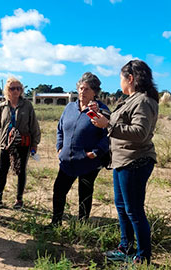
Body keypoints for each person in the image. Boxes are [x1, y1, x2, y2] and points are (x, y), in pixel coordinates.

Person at [91, 60, 159, 265]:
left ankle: (142, 257)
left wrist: (108, 123)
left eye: (121, 78)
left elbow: (139, 132)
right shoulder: (132, 99)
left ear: (130, 78)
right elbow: (121, 122)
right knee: (122, 207)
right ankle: (126, 247)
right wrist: (103, 115)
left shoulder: (144, 101)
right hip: (123, 161)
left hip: (135, 161)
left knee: (134, 210)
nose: (120, 82)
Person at [49, 72, 110, 226]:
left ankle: (82, 225)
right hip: (67, 160)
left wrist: (95, 152)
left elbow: (108, 135)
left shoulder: (101, 110)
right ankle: (56, 221)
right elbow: (60, 129)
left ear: (95, 92)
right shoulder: (70, 107)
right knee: (59, 190)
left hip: (87, 162)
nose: (82, 91)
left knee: (85, 194)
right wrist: (59, 147)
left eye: (87, 89)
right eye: (81, 88)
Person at [0, 77, 41, 210]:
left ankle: (19, 200)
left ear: (21, 90)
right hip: (6, 145)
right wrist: (0, 139)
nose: (16, 91)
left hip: (23, 144)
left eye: (18, 88)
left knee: (21, 171)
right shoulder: (2, 106)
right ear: (7, 90)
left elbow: (34, 125)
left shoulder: (27, 105)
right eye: (12, 88)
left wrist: (35, 143)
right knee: (2, 171)